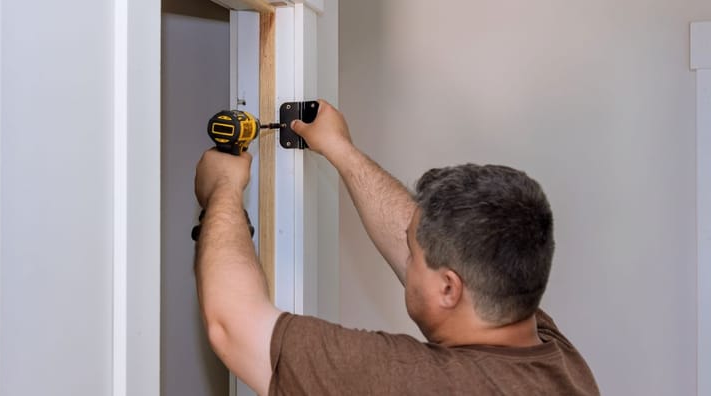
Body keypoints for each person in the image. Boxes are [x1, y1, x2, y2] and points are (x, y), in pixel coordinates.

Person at [194, 100, 599, 395]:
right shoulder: (558, 364)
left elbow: (232, 323)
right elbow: (426, 243)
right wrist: (340, 150)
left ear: (449, 288)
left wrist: (223, 191)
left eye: (413, 255)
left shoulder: (414, 381)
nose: (408, 260)